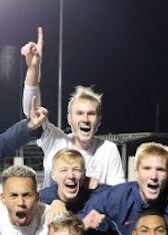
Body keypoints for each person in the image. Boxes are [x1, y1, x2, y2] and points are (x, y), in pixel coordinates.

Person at [20, 27, 125, 187]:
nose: (85, 119)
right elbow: (32, 112)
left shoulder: (108, 150)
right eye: (80, 113)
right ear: (69, 119)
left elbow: (118, 195)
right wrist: (33, 68)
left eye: (91, 114)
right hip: (52, 211)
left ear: (99, 121)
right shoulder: (56, 140)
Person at [83, 142, 168, 235]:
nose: (153, 176)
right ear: (136, 173)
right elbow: (81, 220)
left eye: (160, 169)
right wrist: (85, 224)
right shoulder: (117, 197)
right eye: (147, 168)